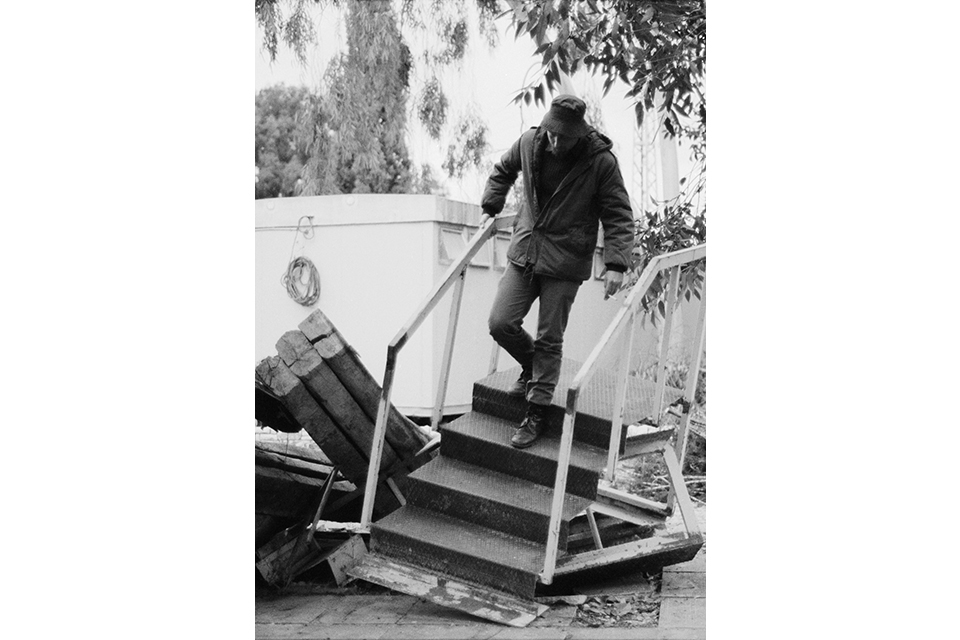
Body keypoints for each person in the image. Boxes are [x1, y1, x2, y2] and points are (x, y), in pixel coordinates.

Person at [480, 94, 636, 449]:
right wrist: (491, 204)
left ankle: (536, 411)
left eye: (563, 136)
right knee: (500, 322)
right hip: (526, 251)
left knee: (550, 337)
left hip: (566, 260)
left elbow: (617, 213)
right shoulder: (529, 142)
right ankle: (534, 367)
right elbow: (503, 170)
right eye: (551, 133)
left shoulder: (600, 163)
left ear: (579, 133)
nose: (554, 140)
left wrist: (615, 263)